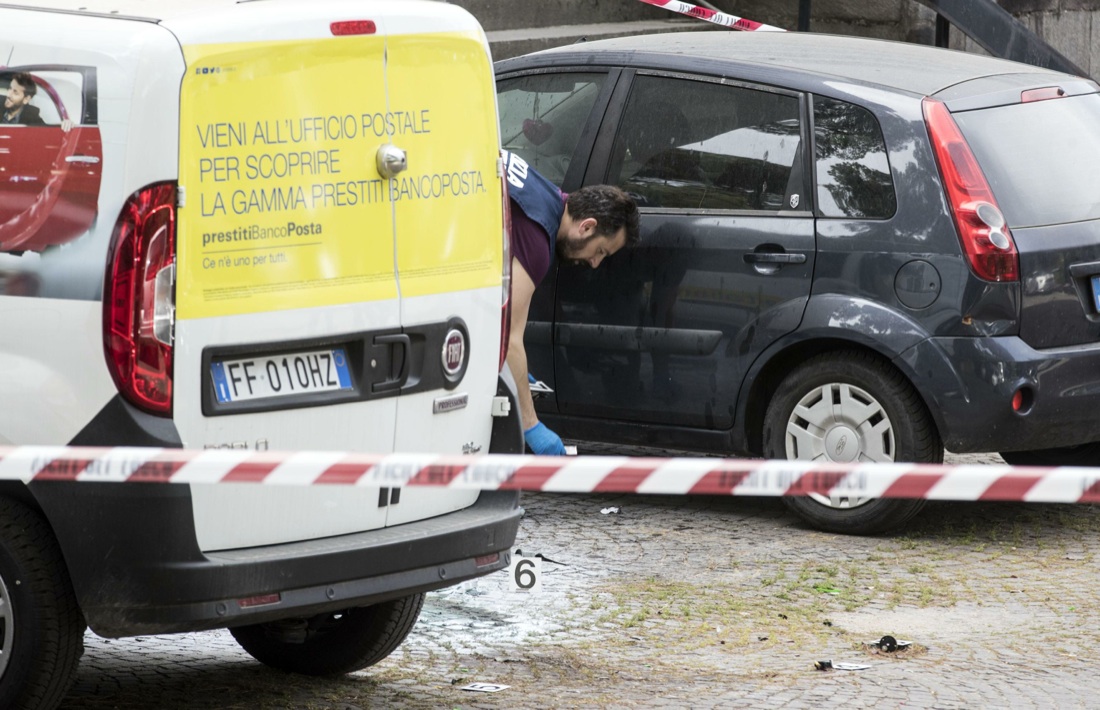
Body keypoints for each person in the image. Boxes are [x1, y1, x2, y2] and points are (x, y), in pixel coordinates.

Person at [504, 150, 640, 455]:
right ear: (587, 226)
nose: (594, 263)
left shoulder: (545, 192)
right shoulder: (538, 238)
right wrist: (531, 425)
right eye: (601, 251)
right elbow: (508, 341)